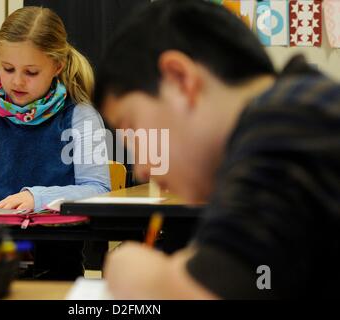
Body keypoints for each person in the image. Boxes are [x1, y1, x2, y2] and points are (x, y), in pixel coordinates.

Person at [94, 0, 340, 299]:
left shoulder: (288, 121)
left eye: (131, 130)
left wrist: (138, 274)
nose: (142, 168)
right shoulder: (298, 105)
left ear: (180, 80)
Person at [0, 6, 111, 279]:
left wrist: (36, 197)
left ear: (57, 66)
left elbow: (98, 190)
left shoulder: (81, 116)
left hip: (53, 263)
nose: (17, 81)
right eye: (8, 68)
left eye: (31, 72)